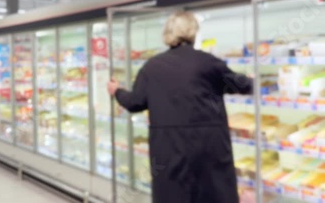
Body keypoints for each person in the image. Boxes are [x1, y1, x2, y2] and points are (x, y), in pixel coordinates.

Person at [107, 12, 253, 203]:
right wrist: (253, 79)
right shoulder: (208, 62)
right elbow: (243, 85)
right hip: (209, 149)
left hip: (169, 150)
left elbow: (135, 102)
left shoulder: (152, 67)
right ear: (193, 32)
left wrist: (117, 91)